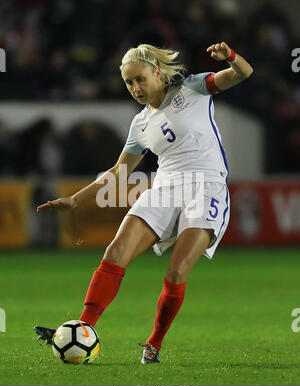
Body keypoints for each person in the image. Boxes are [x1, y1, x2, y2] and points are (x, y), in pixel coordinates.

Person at [34, 42, 253, 364]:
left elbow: (244, 73)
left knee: (177, 271)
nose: (135, 88)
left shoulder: (192, 89)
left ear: (157, 73)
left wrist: (231, 58)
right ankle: (83, 326)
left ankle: (154, 343)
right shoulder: (140, 123)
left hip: (206, 186)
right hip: (164, 188)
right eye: (129, 82)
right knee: (115, 252)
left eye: (140, 79)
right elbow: (119, 171)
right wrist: (75, 200)